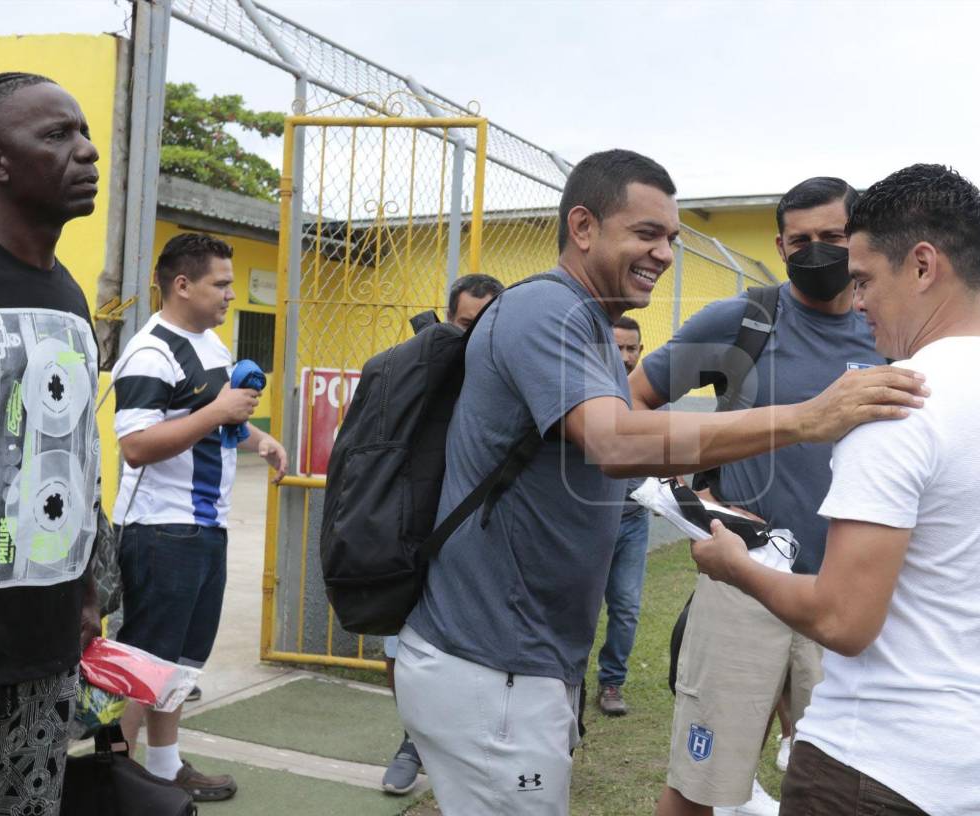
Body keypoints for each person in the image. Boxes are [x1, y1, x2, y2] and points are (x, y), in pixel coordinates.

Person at [393, 148, 928, 815]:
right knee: (703, 780)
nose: (665, 254)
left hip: (532, 658)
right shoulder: (548, 313)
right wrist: (802, 421)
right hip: (495, 658)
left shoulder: (586, 322)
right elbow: (617, 437)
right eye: (647, 233)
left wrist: (676, 488)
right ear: (583, 227)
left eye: (671, 238)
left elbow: (621, 431)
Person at [691, 164, 980, 816]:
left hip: (876, 764)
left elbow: (842, 620)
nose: (857, 300)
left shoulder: (891, 404)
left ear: (923, 266)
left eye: (866, 279)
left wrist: (736, 566)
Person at [638, 177, 881, 816]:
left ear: (860, 238)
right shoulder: (744, 322)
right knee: (698, 787)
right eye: (800, 240)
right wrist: (690, 502)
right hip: (745, 580)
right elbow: (631, 404)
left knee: (839, 794)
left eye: (833, 236)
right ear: (780, 247)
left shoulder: (890, 331)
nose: (817, 251)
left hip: (850, 596)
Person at [112, 232, 287, 802]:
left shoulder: (212, 345)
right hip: (160, 530)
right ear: (182, 285)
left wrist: (259, 439)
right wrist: (218, 411)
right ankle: (114, 779)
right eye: (222, 284)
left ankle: (164, 768)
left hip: (206, 526)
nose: (231, 295)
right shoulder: (150, 353)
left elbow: (222, 418)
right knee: (143, 664)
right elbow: (136, 446)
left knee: (180, 663)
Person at [0, 71, 102, 816]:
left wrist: (87, 588)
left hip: (45, 640)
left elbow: (78, 446)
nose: (87, 151)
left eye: (84, 132)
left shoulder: (69, 293)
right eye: (57, 135)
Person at [381, 271, 504, 796]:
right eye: (463, 323)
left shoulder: (512, 375)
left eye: (483, 325)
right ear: (448, 318)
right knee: (398, 645)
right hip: (417, 532)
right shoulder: (416, 366)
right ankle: (413, 738)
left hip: (484, 535)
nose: (471, 336)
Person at [593, 314, 651, 716]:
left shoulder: (649, 397)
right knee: (574, 605)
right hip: (588, 521)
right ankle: (565, 679)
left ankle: (612, 682)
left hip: (633, 521)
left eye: (632, 348)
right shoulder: (585, 392)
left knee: (626, 607)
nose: (625, 357)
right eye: (617, 348)